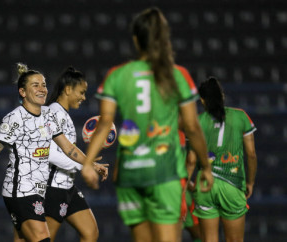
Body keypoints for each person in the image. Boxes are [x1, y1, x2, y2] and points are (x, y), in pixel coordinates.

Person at [81, 7, 213, 242]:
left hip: (132, 173)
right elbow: (192, 126)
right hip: (166, 173)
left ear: (135, 39)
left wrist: (88, 163)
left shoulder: (117, 75)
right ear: (164, 38)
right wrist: (206, 167)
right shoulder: (177, 75)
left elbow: (104, 125)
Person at [0, 63, 107, 242]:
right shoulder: (15, 119)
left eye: (44, 84)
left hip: (38, 192)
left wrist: (91, 163)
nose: (42, 89)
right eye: (35, 85)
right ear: (22, 92)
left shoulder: (48, 116)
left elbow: (68, 148)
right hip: (20, 191)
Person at [191, 77, 258, 242]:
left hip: (205, 185)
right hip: (232, 184)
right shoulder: (241, 117)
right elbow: (251, 154)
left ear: (202, 100)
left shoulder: (198, 122)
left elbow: (191, 160)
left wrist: (186, 185)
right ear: (222, 95)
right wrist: (250, 182)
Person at [44, 66, 101, 242]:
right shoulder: (53, 112)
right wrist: (84, 166)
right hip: (52, 188)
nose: (84, 97)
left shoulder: (63, 115)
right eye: (81, 92)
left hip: (67, 186)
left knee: (90, 232)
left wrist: (91, 164)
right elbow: (50, 154)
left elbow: (70, 150)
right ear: (68, 89)